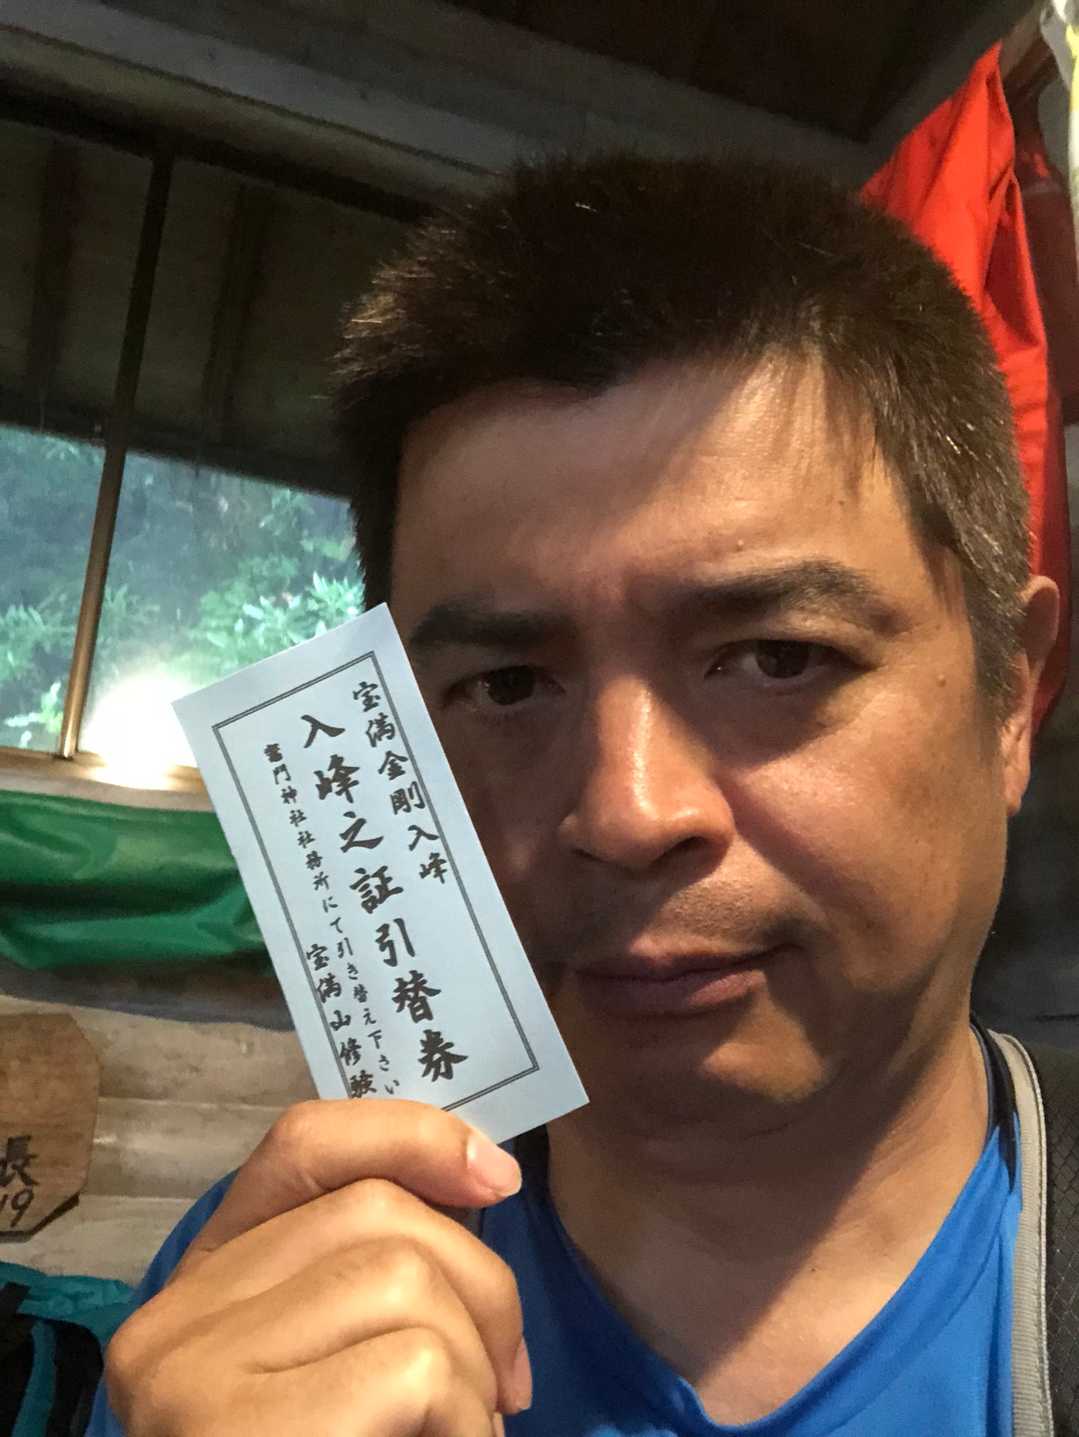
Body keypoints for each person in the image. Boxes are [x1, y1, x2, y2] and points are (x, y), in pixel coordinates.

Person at [91, 153, 1063, 1435]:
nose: (625, 813)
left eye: (776, 659)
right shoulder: (253, 1318)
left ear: (1010, 698)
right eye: (505, 686)